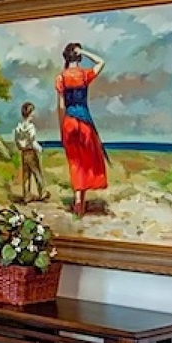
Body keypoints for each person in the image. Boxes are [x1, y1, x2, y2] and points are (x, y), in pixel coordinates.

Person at [54, 42, 108, 214]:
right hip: (84, 122)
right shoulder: (84, 75)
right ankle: (80, 201)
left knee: (75, 162)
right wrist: (84, 51)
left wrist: (61, 128)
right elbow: (101, 62)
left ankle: (79, 200)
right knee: (87, 160)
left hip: (69, 121)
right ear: (79, 57)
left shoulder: (61, 78)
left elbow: (61, 106)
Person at [12, 101, 46, 202]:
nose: (34, 113)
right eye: (33, 111)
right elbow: (33, 141)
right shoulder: (31, 127)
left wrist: (21, 147)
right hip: (31, 152)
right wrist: (40, 148)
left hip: (24, 153)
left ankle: (26, 195)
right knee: (37, 173)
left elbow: (17, 140)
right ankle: (42, 192)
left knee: (26, 174)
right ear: (30, 113)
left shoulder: (18, 128)